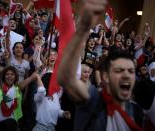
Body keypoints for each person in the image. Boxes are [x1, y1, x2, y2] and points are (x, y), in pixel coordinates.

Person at [57, 0, 143, 131]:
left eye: (131, 71)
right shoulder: (94, 99)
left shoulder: (137, 113)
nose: (126, 75)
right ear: (106, 77)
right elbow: (66, 78)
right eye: (119, 70)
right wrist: (82, 30)